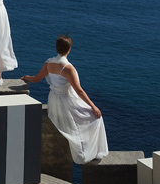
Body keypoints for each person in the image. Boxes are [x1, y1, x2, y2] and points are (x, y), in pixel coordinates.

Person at [21, 35, 108, 164]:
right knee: (96, 118)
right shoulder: (68, 68)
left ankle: (88, 150)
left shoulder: (49, 63)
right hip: (67, 101)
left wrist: (27, 77)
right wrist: (93, 106)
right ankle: (90, 152)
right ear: (69, 49)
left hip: (54, 101)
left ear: (57, 48)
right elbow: (79, 91)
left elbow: (36, 79)